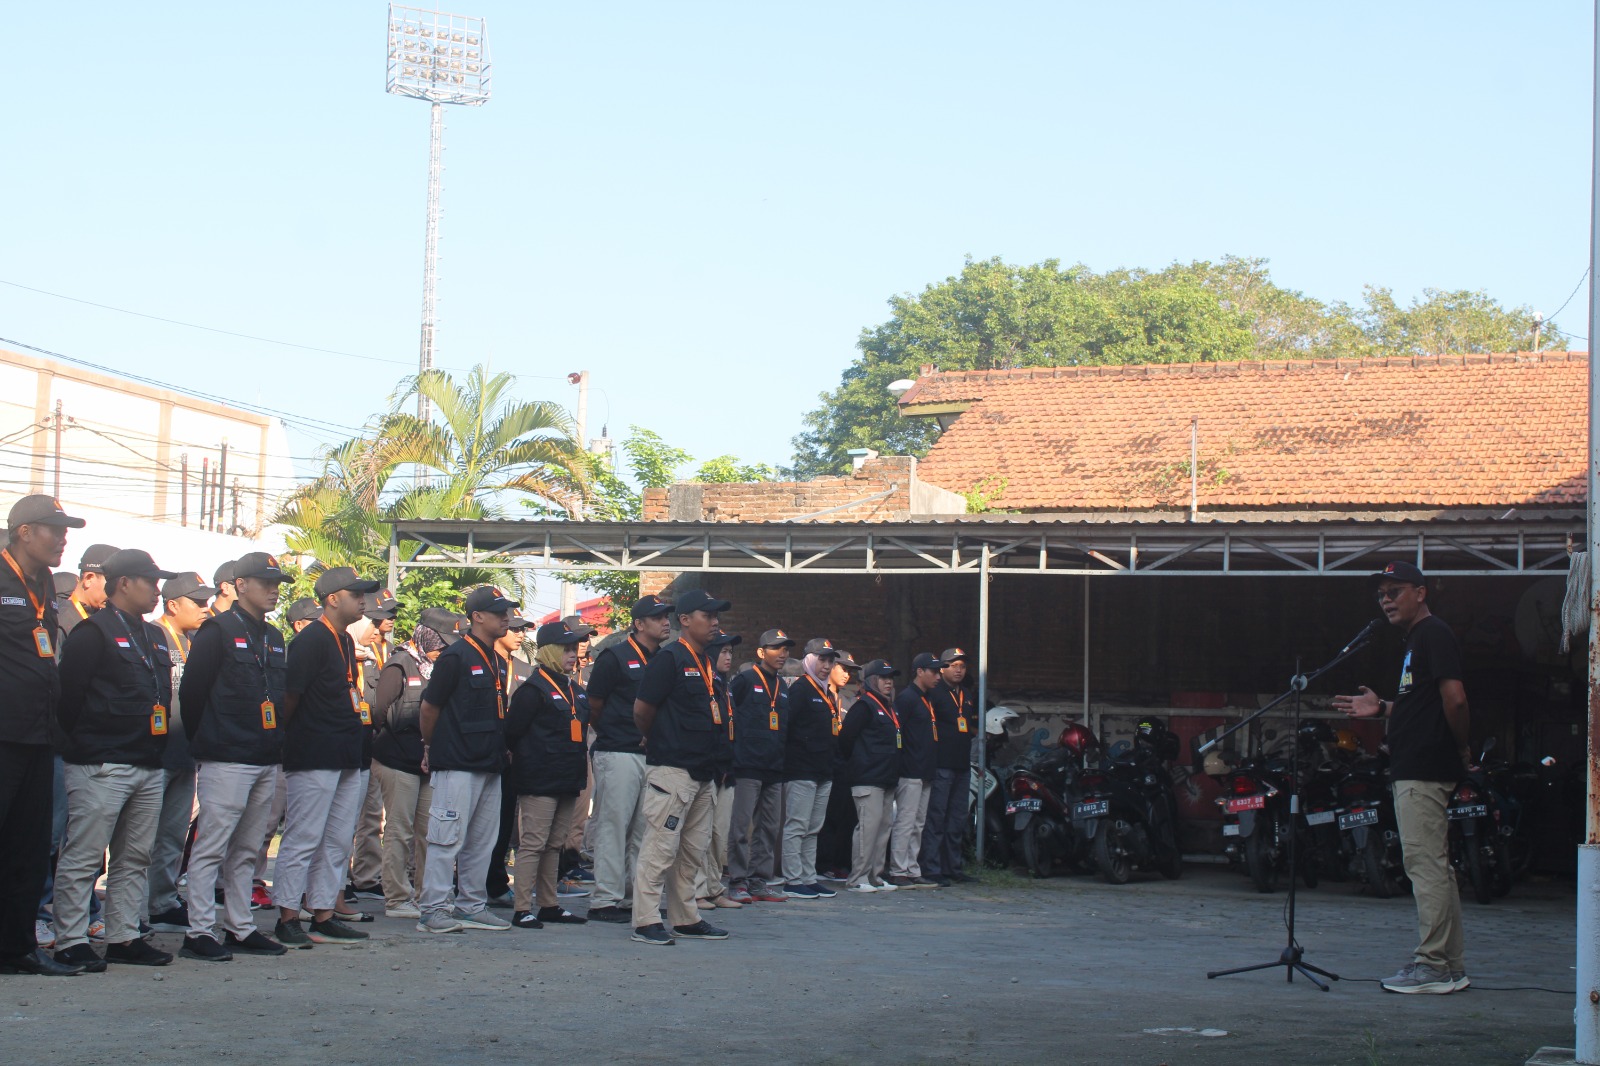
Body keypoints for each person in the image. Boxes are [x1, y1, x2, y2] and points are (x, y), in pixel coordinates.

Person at [1334, 561, 1472, 995]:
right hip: (1418, 766)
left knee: (1424, 867)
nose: (1386, 600)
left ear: (1421, 592)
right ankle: (1449, 966)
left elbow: (1455, 700)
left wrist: (1462, 748)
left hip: (1424, 769)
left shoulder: (1433, 634)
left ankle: (1432, 966)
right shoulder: (1417, 640)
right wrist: (1382, 708)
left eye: (1395, 591)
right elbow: (1425, 703)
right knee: (1436, 869)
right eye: (1381, 594)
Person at [54, 548, 181, 971]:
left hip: (147, 761)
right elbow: (68, 699)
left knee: (134, 858)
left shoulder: (154, 635)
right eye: (150, 582)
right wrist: (89, 745)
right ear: (124, 583)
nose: (157, 591)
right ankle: (71, 940)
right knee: (85, 856)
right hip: (102, 763)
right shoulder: (93, 632)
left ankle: (124, 936)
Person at [177, 551, 293, 961]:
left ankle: (239, 928)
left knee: (248, 849)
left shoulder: (274, 636)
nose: (274, 590)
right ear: (240, 585)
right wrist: (209, 740)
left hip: (264, 755)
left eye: (277, 584)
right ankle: (198, 931)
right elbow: (192, 694)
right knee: (212, 845)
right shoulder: (217, 630)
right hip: (226, 755)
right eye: (265, 583)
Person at [1, 495, 87, 976]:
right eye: (55, 529)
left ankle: (17, 949)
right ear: (24, 531)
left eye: (65, 530)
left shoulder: (45, 585)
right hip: (3, 735)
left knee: (29, 849)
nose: (63, 538)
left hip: (38, 736)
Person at [271, 565, 380, 948]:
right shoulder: (310, 640)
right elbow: (290, 696)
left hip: (346, 751)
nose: (363, 601)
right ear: (332, 599)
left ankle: (324, 914)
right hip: (314, 752)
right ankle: (287, 917)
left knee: (337, 840)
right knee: (303, 837)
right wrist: (286, 739)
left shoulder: (345, 640)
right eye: (356, 594)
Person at [629, 588, 734, 946]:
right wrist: (657, 738)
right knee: (660, 848)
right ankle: (645, 921)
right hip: (673, 771)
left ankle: (685, 917)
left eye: (716, 615)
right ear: (685, 620)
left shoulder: (706, 662)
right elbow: (642, 711)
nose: (715, 621)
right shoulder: (669, 659)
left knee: (692, 852)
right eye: (708, 615)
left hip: (703, 772)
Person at [415, 585, 520, 935]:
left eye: (506, 611)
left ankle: (472, 906)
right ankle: (433, 910)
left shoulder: (495, 659)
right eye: (498, 612)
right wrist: (431, 747)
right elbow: (429, 708)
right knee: (446, 838)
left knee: (482, 841)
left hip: (489, 762)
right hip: (457, 763)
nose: (506, 617)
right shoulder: (456, 656)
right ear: (477, 616)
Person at [583, 595, 672, 924]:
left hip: (652, 754)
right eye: (658, 617)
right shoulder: (615, 657)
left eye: (666, 616)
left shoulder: (664, 659)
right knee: (613, 825)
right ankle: (604, 899)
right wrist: (614, 731)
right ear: (639, 624)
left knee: (643, 831)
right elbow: (594, 705)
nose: (666, 622)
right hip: (618, 750)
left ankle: (634, 898)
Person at [369, 608, 459, 920]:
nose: (442, 651)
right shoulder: (400, 664)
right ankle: (396, 898)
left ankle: (426, 894)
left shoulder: (441, 669)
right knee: (399, 830)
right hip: (397, 761)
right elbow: (379, 712)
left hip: (429, 763)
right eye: (440, 644)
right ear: (426, 637)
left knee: (429, 832)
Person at [504, 620, 591, 929]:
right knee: (533, 844)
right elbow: (512, 732)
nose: (573, 654)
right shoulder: (533, 690)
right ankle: (521, 908)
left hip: (567, 778)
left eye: (574, 648)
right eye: (566, 649)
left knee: (555, 844)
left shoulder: (575, 690)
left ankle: (548, 904)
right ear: (550, 651)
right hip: (539, 779)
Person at [145, 571, 217, 935]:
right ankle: (132, 909)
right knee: (141, 837)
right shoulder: (150, 634)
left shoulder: (195, 642)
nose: (206, 608)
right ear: (172, 605)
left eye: (207, 602)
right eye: (198, 602)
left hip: (185, 753)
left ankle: (162, 902)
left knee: (173, 835)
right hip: (153, 754)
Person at [724, 628, 793, 905]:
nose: (782, 654)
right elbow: (730, 717)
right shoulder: (745, 680)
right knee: (742, 827)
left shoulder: (783, 687)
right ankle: (737, 880)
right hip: (747, 766)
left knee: (769, 828)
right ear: (761, 652)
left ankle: (759, 880)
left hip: (774, 768)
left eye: (785, 649)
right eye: (776, 648)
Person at [777, 638, 842, 900]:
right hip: (801, 769)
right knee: (797, 825)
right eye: (821, 660)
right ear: (809, 660)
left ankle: (808, 877)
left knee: (814, 827)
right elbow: (787, 728)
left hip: (823, 769)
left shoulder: (827, 693)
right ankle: (793, 880)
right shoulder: (801, 689)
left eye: (830, 661)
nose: (826, 666)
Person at [346, 589, 397, 904]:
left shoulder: (386, 652)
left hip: (375, 743)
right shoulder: (346, 648)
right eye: (380, 618)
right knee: (346, 817)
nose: (386, 622)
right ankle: (340, 880)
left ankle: (366, 876)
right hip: (348, 743)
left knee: (372, 817)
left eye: (391, 616)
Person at [837, 659, 901, 892]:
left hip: (886, 777)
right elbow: (846, 738)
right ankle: (858, 878)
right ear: (872, 680)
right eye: (883, 678)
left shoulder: (888, 706)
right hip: (868, 777)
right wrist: (860, 761)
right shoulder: (864, 706)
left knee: (883, 829)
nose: (888, 682)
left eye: (890, 678)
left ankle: (876, 875)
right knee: (868, 829)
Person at [485, 610, 534, 909]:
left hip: (511, 756)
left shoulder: (525, 670)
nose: (519, 634)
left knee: (504, 824)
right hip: (482, 753)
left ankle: (496, 881)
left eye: (523, 629)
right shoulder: (483, 661)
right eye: (515, 628)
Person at [921, 647, 977, 887]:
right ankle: (932, 868)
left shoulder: (967, 694)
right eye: (953, 666)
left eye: (962, 666)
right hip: (942, 765)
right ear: (942, 669)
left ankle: (953, 867)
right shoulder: (934, 693)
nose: (958, 670)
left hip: (962, 765)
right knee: (936, 818)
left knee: (957, 819)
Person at [887, 653, 943, 889]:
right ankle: (898, 870)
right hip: (910, 770)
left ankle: (912, 868)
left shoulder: (927, 698)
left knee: (918, 823)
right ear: (920, 671)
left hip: (925, 769)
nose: (938, 676)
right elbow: (897, 732)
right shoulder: (907, 698)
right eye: (934, 671)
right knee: (905, 821)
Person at [696, 630, 742, 910]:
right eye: (723, 651)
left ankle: (714, 887)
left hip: (727, 770)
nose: (728, 657)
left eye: (730, 652)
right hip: (708, 769)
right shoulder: (704, 683)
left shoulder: (726, 685)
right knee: (701, 835)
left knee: (719, 835)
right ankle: (697, 890)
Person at [56, 543, 117, 643]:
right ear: (89, 579)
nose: (115, 593)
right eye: (112, 584)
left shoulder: (105, 619)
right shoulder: (61, 622)